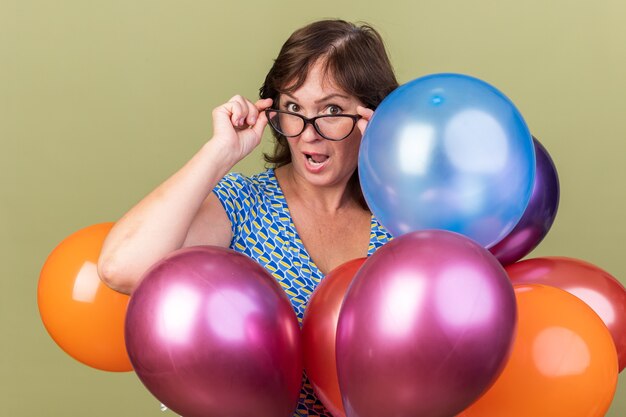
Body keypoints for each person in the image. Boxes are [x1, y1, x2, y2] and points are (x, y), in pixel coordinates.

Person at [98, 19, 399, 417]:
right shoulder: (244, 204)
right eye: (293, 108)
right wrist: (219, 152)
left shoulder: (402, 217)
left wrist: (396, 155)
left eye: (331, 109)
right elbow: (121, 268)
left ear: (369, 115)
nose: (308, 133)